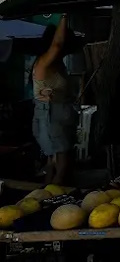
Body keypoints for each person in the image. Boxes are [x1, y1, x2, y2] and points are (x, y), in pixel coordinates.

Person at [31, 18, 79, 184]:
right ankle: (55, 197)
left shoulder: (58, 64)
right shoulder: (44, 62)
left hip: (59, 113)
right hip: (50, 114)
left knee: (55, 161)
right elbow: (57, 44)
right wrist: (65, 16)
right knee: (61, 161)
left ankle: (49, 193)